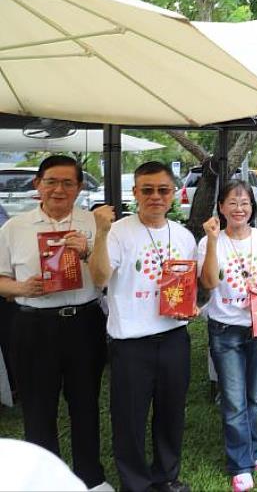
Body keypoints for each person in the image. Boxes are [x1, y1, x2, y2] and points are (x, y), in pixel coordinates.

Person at [0, 155, 111, 491]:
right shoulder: (14, 227)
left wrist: (88, 251)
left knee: (85, 403)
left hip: (84, 324)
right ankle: (44, 481)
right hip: (34, 326)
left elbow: (106, 279)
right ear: (38, 185)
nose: (58, 189)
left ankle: (91, 478)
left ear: (79, 188)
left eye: (67, 182)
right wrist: (20, 287)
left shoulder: (94, 224)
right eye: (51, 181)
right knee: (38, 407)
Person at [89, 161, 197, 492]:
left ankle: (166, 476)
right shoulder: (119, 231)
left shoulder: (183, 235)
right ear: (135, 192)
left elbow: (187, 286)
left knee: (171, 413)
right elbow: (99, 278)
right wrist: (102, 233)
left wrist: (189, 307)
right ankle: (135, 483)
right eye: (146, 190)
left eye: (163, 189)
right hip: (131, 343)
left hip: (174, 338)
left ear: (174, 194)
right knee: (129, 419)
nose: (155, 196)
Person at [198, 180, 257, 492]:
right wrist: (210, 241)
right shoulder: (211, 240)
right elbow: (208, 283)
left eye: (245, 203)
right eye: (232, 203)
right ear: (221, 207)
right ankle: (240, 465)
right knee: (234, 402)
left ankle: (253, 450)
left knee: (254, 398)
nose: (239, 208)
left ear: (253, 208)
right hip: (225, 330)